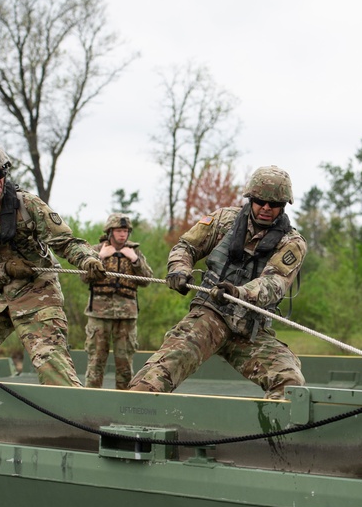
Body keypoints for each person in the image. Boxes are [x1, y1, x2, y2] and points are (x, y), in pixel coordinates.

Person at [128, 165, 306, 399]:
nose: (265, 208)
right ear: (251, 199)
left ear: (283, 206)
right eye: (260, 201)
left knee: (291, 383)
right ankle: (127, 421)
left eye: (273, 204)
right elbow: (186, 246)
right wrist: (179, 269)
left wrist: (239, 292)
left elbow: (274, 284)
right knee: (156, 376)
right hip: (209, 317)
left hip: (250, 331)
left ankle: (274, 434)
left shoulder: (291, 243)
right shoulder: (224, 220)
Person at [0, 139, 105, 387]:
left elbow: (66, 241)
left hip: (38, 295)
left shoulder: (28, 205)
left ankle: (74, 421)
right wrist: (4, 270)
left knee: (52, 366)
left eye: (1, 173)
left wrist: (87, 258)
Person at [82, 213, 154, 389]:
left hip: (126, 316)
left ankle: (123, 403)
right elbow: (83, 277)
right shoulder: (96, 250)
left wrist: (135, 260)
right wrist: (100, 257)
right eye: (119, 230)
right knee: (96, 362)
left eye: (125, 231)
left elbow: (147, 280)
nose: (122, 234)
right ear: (110, 232)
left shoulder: (135, 252)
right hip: (99, 314)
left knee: (125, 365)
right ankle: (89, 403)